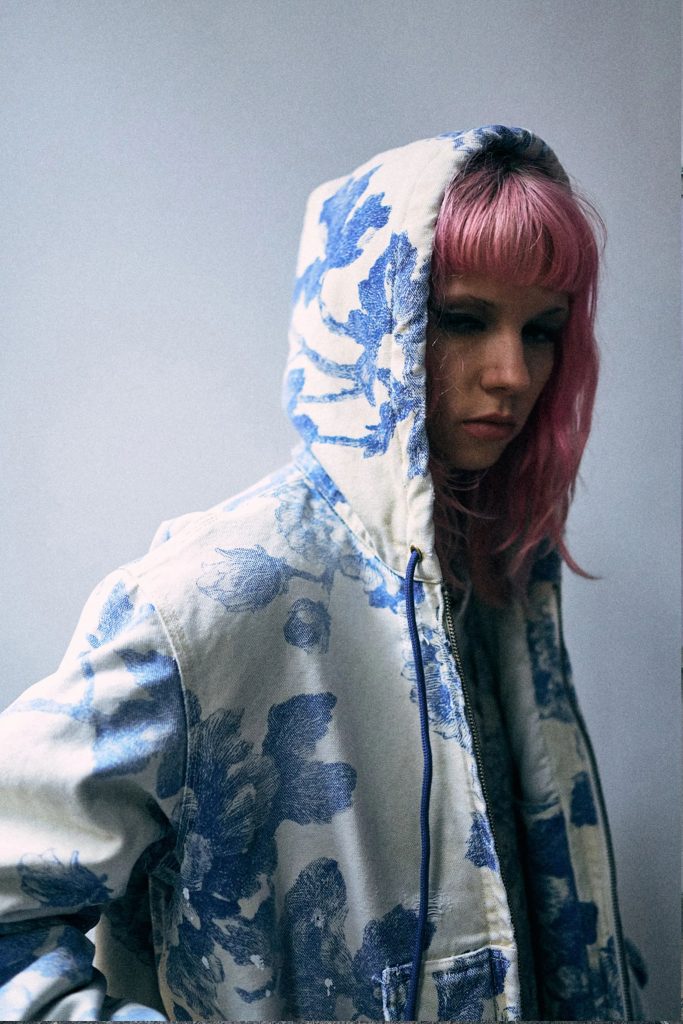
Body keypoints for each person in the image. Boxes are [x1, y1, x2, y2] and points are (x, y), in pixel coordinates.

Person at [0, 125, 648, 1022]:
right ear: (368, 321)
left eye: (540, 330)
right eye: (462, 319)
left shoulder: (499, 569)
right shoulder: (215, 595)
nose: (511, 374)